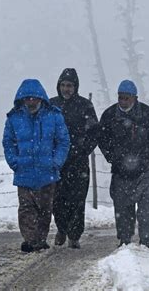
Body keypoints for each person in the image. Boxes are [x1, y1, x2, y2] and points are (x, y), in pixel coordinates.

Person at [2, 78, 70, 253]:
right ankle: (31, 240)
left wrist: (56, 162)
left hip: (47, 172)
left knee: (45, 209)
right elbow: (8, 142)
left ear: (41, 98)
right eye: (27, 98)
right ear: (22, 99)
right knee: (26, 209)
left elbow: (63, 141)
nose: (31, 102)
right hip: (24, 172)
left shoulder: (54, 116)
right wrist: (14, 162)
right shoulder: (14, 118)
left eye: (34, 98)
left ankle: (40, 239)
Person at [98, 80, 149, 248]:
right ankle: (125, 239)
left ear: (135, 98)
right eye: (121, 97)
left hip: (144, 169)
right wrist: (113, 158)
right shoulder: (109, 115)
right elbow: (102, 139)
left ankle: (146, 239)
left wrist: (145, 157)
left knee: (145, 204)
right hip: (120, 170)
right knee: (122, 204)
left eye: (127, 98)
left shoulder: (148, 114)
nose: (123, 101)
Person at [50, 68, 98, 249]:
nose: (66, 89)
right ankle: (62, 229)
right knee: (57, 200)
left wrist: (83, 150)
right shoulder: (51, 105)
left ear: (75, 87)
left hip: (78, 163)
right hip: (57, 163)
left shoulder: (85, 106)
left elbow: (94, 133)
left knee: (77, 200)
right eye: (63, 85)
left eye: (69, 85)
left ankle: (75, 235)